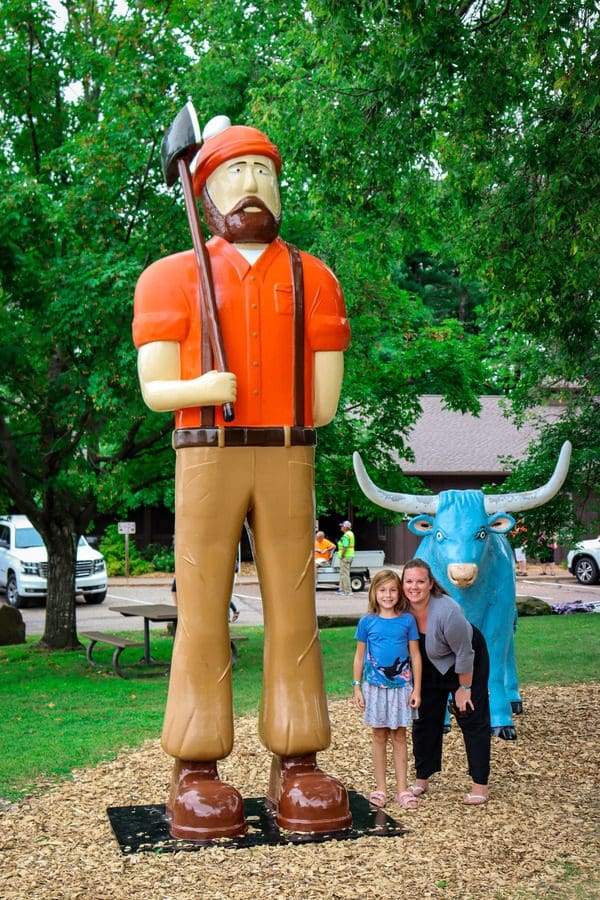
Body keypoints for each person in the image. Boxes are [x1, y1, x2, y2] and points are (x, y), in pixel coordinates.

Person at [133, 114, 351, 839]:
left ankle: (298, 757)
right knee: (202, 602)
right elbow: (155, 391)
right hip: (206, 453)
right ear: (204, 190)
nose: (252, 186)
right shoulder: (170, 277)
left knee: (296, 604)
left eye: (265, 173)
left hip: (288, 452)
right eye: (235, 173)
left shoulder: (316, 279)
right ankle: (195, 767)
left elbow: (320, 406)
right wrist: (203, 387)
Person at [400, 558, 491, 806]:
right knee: (424, 718)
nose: (414, 586)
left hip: (467, 660)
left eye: (420, 581)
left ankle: (480, 785)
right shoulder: (401, 608)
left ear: (431, 584)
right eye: (409, 581)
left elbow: (465, 653)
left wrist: (464, 688)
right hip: (428, 664)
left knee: (471, 715)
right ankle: (422, 778)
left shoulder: (447, 611)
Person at [353, 570, 422, 810]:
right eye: (382, 590)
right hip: (374, 688)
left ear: (399, 592)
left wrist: (417, 690)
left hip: (401, 688)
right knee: (379, 735)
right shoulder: (367, 622)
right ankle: (381, 788)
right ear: (374, 593)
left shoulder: (407, 621)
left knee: (400, 736)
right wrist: (356, 687)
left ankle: (402, 789)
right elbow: (359, 656)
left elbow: (415, 655)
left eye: (393, 589)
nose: (388, 595)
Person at [337, 520, 355, 595]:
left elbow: (345, 546)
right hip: (349, 555)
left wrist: (342, 555)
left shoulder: (346, 535)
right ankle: (342, 589)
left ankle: (347, 591)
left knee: (345, 574)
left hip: (345, 556)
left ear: (345, 527)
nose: (341, 527)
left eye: (342, 526)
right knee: (343, 573)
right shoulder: (350, 533)